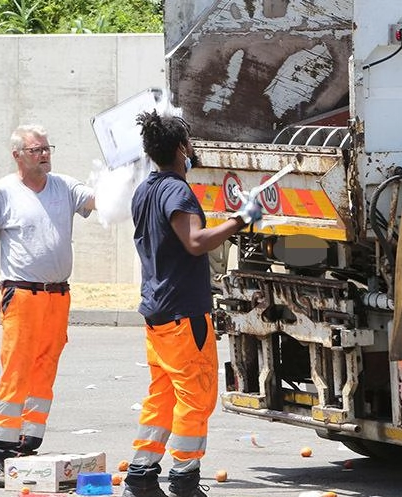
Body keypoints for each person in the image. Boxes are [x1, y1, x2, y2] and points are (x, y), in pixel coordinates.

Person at [122, 109, 261, 497]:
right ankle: (184, 478)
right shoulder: (177, 191)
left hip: (159, 312)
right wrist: (240, 220)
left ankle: (141, 476)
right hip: (184, 314)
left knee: (163, 395)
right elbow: (195, 241)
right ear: (182, 148)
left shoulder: (145, 190)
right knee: (195, 397)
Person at [0, 124, 96, 488]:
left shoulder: (65, 186)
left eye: (47, 148)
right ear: (18, 154)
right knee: (16, 370)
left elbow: (96, 200)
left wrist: (123, 177)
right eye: (37, 150)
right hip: (20, 295)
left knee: (44, 369)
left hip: (58, 296)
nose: (45, 154)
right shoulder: (2, 191)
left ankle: (28, 444)